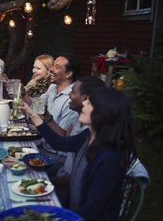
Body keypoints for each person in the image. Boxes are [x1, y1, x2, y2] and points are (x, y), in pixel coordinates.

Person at [22, 88, 136, 220]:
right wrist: (32, 114)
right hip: (74, 211)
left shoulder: (109, 159)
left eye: (89, 103)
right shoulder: (89, 136)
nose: (84, 104)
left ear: (104, 112)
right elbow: (60, 143)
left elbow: (91, 210)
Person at [22, 76, 105, 207]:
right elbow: (63, 140)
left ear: (86, 99)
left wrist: (45, 182)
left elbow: (61, 145)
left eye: (73, 91)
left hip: (71, 195)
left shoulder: (96, 140)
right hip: (69, 185)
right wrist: (42, 116)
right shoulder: (83, 125)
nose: (69, 95)